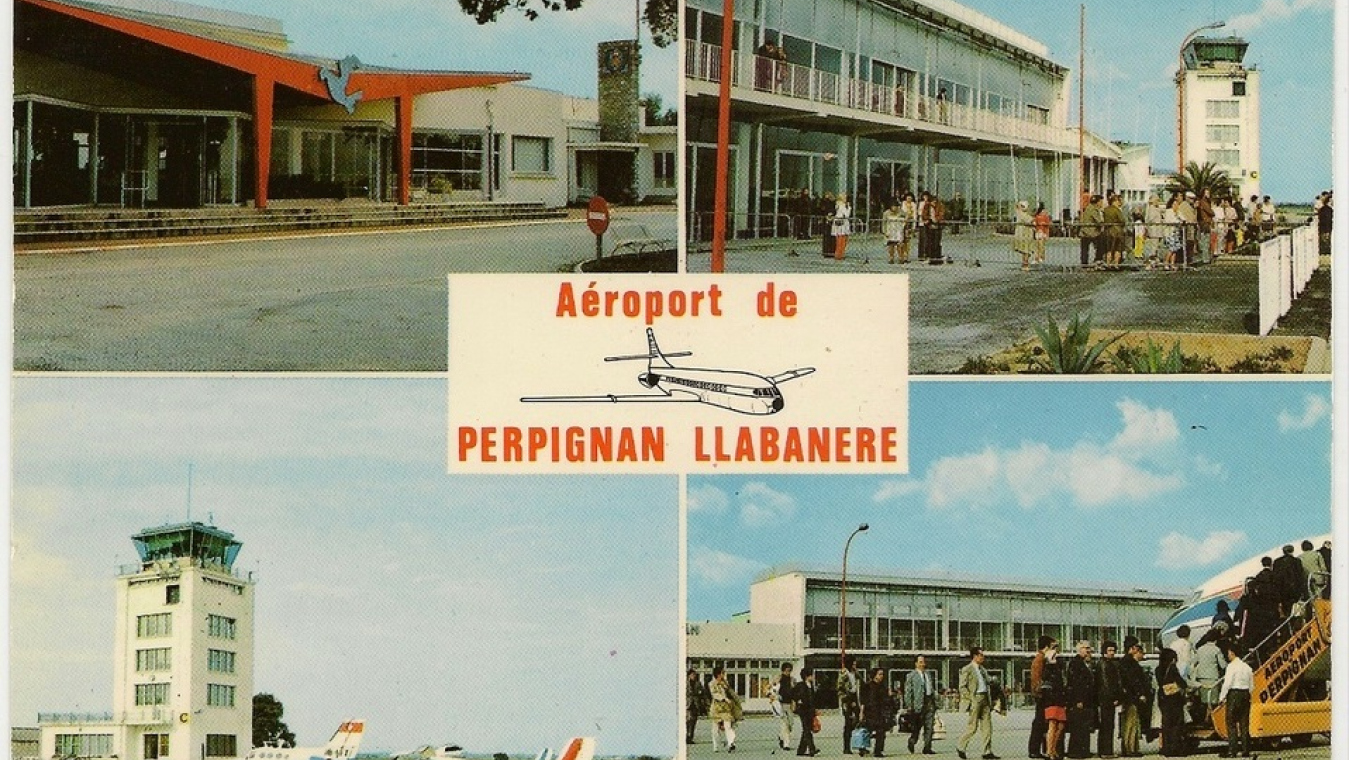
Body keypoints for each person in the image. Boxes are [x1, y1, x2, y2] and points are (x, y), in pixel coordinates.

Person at [955, 647, 999, 760]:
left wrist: (994, 680)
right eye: (981, 655)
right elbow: (962, 687)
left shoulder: (982, 669)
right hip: (975, 699)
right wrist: (971, 698)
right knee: (972, 727)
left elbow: (988, 680)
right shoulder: (967, 669)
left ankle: (987, 751)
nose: (983, 657)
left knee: (987, 727)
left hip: (985, 698)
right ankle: (961, 745)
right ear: (975, 656)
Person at [1218, 646, 1253, 758]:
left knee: (1231, 722)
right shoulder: (1247, 667)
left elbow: (1227, 683)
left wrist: (1221, 697)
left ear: (1232, 653)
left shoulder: (1231, 667)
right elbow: (1252, 685)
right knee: (1244, 723)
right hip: (1245, 693)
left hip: (1234, 694)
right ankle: (1246, 750)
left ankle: (1232, 750)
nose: (1228, 655)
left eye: (1228, 653)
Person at [1118, 637, 1151, 758]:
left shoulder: (1124, 662)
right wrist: (1140, 694)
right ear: (1131, 648)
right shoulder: (1130, 663)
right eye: (1136, 647)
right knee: (1131, 723)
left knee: (1130, 723)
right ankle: (1130, 748)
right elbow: (1134, 681)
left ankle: (1129, 747)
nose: (1137, 649)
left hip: (1128, 697)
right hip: (1132, 698)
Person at [1064, 641, 1096, 759]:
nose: (1088, 650)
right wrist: (1078, 699)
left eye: (1089, 648)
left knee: (1085, 727)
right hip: (1080, 699)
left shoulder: (1086, 663)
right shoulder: (1075, 664)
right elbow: (1075, 683)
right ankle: (1076, 751)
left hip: (1087, 700)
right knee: (1078, 727)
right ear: (1079, 649)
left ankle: (1084, 750)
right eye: (1085, 648)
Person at [1156, 648, 1188, 757]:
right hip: (1174, 699)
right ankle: (1176, 748)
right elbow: (1181, 682)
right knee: (1176, 724)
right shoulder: (1173, 668)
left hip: (1163, 698)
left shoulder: (1158, 669)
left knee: (1166, 724)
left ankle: (1166, 748)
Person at [1028, 636, 1056, 759]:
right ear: (1047, 647)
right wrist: (1039, 693)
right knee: (1039, 723)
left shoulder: (1043, 659)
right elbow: (1036, 678)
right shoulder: (1040, 659)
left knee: (1041, 723)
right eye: (1053, 646)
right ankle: (1034, 750)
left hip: (1042, 695)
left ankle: (1038, 749)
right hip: (1042, 696)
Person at [1190, 631, 1226, 725]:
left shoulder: (1200, 649)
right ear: (1216, 640)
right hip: (1212, 678)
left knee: (1203, 701)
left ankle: (1203, 719)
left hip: (1201, 677)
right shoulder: (1216, 650)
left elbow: (1194, 662)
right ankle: (1213, 720)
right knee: (1213, 701)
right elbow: (1222, 665)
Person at [905, 655, 939, 755]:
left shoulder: (928, 674)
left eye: (923, 662)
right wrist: (909, 705)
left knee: (929, 726)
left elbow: (931, 689)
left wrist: (935, 701)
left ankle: (927, 747)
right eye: (920, 662)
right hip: (918, 704)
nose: (923, 664)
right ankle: (912, 741)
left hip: (929, 702)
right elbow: (908, 692)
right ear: (916, 663)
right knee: (917, 726)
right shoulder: (911, 676)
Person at [1041, 641, 1068, 760]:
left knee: (1060, 725)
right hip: (1052, 698)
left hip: (1059, 697)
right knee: (1053, 724)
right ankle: (1049, 750)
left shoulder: (1058, 667)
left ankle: (1053, 748)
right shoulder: (1048, 668)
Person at [1097, 641, 1123, 759]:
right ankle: (1106, 751)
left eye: (1113, 650)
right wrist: (1113, 698)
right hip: (1107, 698)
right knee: (1107, 725)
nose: (1112, 653)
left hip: (1106, 698)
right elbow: (1107, 683)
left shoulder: (1108, 664)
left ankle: (1105, 750)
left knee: (1107, 724)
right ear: (1104, 652)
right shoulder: (1105, 665)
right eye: (1109, 650)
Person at [861, 667, 892, 757]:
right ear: (874, 675)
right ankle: (863, 747)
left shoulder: (883, 687)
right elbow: (864, 700)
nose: (881, 676)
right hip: (870, 712)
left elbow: (886, 700)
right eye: (880, 674)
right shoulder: (867, 686)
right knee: (867, 731)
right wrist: (862, 712)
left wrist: (889, 696)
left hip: (880, 712)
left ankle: (878, 750)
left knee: (881, 731)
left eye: (882, 674)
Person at [709, 666, 740, 752]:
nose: (724, 675)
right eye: (722, 673)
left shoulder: (725, 683)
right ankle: (715, 746)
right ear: (718, 674)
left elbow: (731, 693)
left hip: (726, 708)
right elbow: (714, 694)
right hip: (716, 709)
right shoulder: (712, 683)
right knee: (715, 729)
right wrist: (724, 698)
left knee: (728, 726)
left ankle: (731, 744)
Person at [1271, 543, 1305, 617]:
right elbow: (1300, 576)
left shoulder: (1277, 562)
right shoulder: (1296, 561)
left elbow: (1275, 577)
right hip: (1295, 591)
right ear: (1292, 551)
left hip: (1282, 591)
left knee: (1285, 611)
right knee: (1296, 612)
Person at [772, 662, 798, 750]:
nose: (788, 672)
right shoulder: (778, 679)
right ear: (783, 670)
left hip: (789, 703)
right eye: (787, 670)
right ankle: (786, 744)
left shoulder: (793, 680)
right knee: (785, 724)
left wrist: (794, 702)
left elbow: (795, 692)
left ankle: (781, 736)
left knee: (791, 723)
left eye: (790, 670)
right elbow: (771, 689)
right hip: (780, 704)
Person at [839, 656, 862, 754]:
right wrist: (847, 701)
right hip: (848, 699)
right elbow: (840, 689)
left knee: (859, 720)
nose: (855, 666)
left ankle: (859, 743)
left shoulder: (855, 674)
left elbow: (862, 683)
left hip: (856, 698)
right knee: (848, 723)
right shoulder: (844, 674)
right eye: (853, 664)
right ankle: (846, 747)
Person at [797, 668, 821, 757]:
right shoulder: (800, 685)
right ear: (807, 676)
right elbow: (794, 694)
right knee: (807, 729)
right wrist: (798, 701)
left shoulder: (811, 685)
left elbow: (813, 699)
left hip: (810, 710)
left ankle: (800, 750)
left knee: (807, 729)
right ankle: (812, 748)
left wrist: (815, 709)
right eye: (811, 675)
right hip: (803, 710)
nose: (813, 677)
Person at [1103, 194, 1128, 270]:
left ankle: (1108, 263)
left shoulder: (1106, 209)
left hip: (1107, 230)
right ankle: (1116, 264)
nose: (1119, 202)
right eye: (1118, 201)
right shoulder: (1117, 210)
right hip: (1117, 231)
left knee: (1109, 249)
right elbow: (1122, 220)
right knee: (1118, 248)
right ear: (1115, 201)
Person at [1078, 195, 1104, 268]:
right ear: (1097, 202)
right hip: (1091, 232)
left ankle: (1084, 264)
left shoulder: (1088, 208)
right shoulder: (1093, 210)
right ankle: (1097, 261)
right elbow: (1099, 221)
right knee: (1100, 246)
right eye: (1101, 202)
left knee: (1084, 249)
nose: (1102, 204)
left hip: (1084, 232)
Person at [687, 668, 711, 744]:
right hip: (687, 704)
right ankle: (686, 737)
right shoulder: (685, 683)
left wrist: (706, 703)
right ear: (689, 675)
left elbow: (703, 694)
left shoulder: (698, 683)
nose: (694, 676)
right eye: (692, 675)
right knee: (687, 721)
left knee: (693, 722)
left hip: (695, 705)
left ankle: (690, 737)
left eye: (694, 675)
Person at [1144, 194, 1166, 269]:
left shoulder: (1156, 208)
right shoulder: (1151, 208)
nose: (1158, 202)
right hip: (1154, 230)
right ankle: (1151, 262)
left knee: (1156, 246)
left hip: (1158, 230)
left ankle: (1155, 260)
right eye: (1157, 200)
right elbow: (1150, 219)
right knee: (1154, 247)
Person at [1014, 200, 1035, 270]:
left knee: (1025, 250)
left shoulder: (1020, 213)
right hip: (1024, 234)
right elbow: (1030, 221)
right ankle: (1025, 265)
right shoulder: (1022, 214)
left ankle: (1025, 263)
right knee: (1026, 250)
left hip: (1025, 233)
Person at [884, 200, 906, 265]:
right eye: (893, 206)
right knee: (891, 245)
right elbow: (884, 223)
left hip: (898, 231)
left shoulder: (901, 212)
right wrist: (884, 231)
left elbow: (907, 215)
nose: (894, 208)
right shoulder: (886, 213)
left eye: (896, 206)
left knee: (899, 245)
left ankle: (900, 258)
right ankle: (891, 258)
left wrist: (904, 222)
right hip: (890, 230)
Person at [833, 193, 854, 261]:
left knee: (840, 239)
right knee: (842, 239)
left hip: (839, 223)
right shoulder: (842, 205)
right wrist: (849, 208)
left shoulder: (838, 205)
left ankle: (839, 253)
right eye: (844, 197)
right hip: (842, 223)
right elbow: (847, 214)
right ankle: (840, 254)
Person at [1196, 189, 1215, 264]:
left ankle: (1206, 257)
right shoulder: (1204, 202)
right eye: (1207, 192)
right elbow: (1210, 211)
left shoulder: (1204, 202)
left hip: (1205, 222)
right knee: (1206, 240)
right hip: (1205, 223)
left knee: (1206, 240)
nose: (1209, 194)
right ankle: (1205, 258)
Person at [899, 192, 918, 263]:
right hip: (902, 224)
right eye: (908, 197)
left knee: (908, 241)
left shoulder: (914, 205)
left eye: (910, 198)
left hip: (909, 224)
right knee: (901, 240)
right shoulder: (902, 204)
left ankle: (906, 256)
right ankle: (901, 256)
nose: (909, 199)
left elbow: (915, 215)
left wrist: (914, 226)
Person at [1033, 203, 1051, 268]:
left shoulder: (1046, 217)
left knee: (1041, 245)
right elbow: (1034, 223)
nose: (1044, 212)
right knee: (1037, 246)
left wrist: (1047, 234)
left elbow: (1048, 226)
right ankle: (1036, 258)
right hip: (1038, 232)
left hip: (1043, 232)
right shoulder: (1037, 216)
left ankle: (1041, 257)